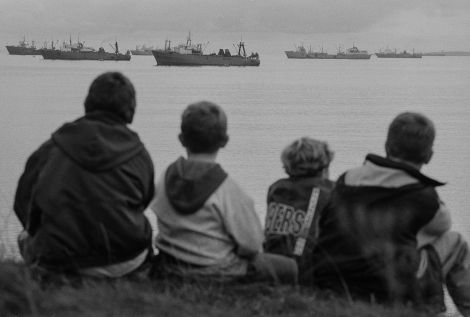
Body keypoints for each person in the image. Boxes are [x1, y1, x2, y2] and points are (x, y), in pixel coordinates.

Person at [312, 112, 470, 315]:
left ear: (386, 146)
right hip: (388, 290)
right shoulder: (424, 197)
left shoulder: (346, 180)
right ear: (429, 156)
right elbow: (442, 225)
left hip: (332, 283)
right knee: (455, 242)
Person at [14, 72, 155, 280]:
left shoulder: (52, 148)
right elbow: (144, 201)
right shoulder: (139, 154)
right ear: (131, 112)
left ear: (87, 104)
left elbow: (23, 200)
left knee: (23, 238)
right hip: (126, 259)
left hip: (59, 260)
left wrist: (38, 229)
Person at [150, 101, 297, 284]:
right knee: (290, 267)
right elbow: (251, 245)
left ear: (181, 139)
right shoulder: (228, 189)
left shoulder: (164, 178)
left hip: (170, 265)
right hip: (218, 271)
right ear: (225, 141)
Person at [264, 137, 335, 285]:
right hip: (308, 269)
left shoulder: (276, 189)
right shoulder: (330, 190)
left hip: (273, 263)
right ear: (324, 165)